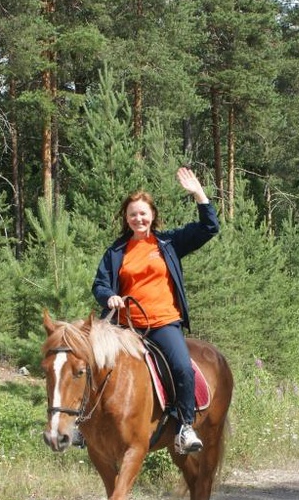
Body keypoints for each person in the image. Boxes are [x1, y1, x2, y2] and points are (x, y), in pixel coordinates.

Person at [92, 167, 219, 455]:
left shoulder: (168, 244)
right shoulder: (116, 252)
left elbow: (209, 228)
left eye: (143, 213)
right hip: (124, 327)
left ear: (153, 216)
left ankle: (185, 426)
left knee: (182, 367)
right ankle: (82, 425)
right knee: (88, 361)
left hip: (162, 323)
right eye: (133, 214)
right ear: (126, 218)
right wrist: (109, 296)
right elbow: (99, 284)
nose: (139, 218)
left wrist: (199, 194)